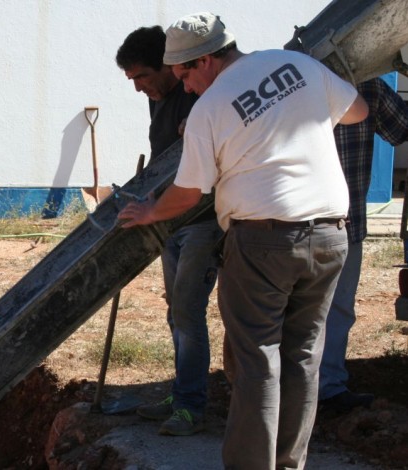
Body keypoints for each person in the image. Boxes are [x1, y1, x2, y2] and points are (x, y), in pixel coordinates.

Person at [117, 12, 368, 469]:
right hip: (331, 236)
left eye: (185, 76)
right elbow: (357, 111)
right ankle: (289, 463)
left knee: (257, 362)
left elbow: (189, 192)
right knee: (303, 358)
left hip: (264, 243)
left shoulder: (212, 108)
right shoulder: (298, 65)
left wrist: (150, 211)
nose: (186, 89)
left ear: (206, 60)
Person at [115, 26, 222, 436]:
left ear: (168, 67)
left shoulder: (197, 94)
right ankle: (182, 393)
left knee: (188, 313)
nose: (139, 88)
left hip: (200, 222)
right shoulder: (157, 101)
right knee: (175, 313)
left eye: (142, 76)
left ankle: (191, 407)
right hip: (169, 221)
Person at [319, 77, 408, 413]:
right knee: (336, 309)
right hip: (342, 221)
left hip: (301, 223)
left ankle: (306, 390)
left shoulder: (291, 79)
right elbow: (401, 130)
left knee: (298, 310)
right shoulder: (368, 87)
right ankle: (325, 388)